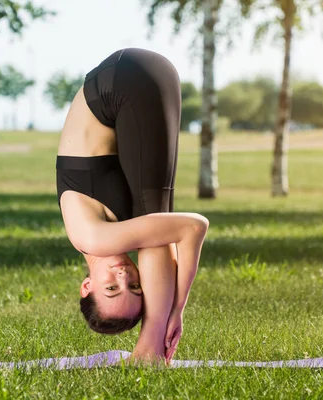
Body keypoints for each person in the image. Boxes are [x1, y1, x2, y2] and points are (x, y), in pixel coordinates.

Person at [56, 48, 209, 361]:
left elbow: (193, 227)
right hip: (130, 76)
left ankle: (151, 349)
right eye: (136, 288)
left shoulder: (93, 238)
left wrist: (177, 309)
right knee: (154, 226)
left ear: (86, 286)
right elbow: (175, 235)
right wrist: (171, 308)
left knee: (155, 222)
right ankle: (151, 346)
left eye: (111, 288)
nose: (124, 276)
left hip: (121, 84)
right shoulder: (106, 236)